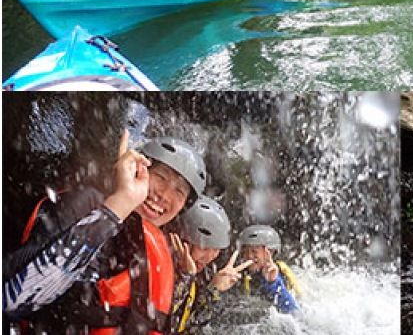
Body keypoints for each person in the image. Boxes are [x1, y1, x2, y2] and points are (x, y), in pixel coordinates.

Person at [3, 133, 207, 333]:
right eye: (161, 177)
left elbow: (162, 325)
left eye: (179, 191)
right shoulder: (85, 205)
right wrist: (120, 204)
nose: (164, 195)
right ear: (138, 169)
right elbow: (11, 301)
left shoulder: (152, 250)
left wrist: (186, 278)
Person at [169, 196, 253, 333]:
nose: (209, 257)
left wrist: (213, 289)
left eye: (215, 250)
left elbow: (192, 326)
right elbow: (161, 320)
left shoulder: (204, 273)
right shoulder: (160, 265)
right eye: (203, 248)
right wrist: (184, 277)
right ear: (182, 239)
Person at [239, 224, 301, 313]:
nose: (249, 256)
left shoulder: (278, 273)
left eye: (254, 251)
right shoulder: (241, 274)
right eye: (245, 252)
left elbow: (292, 310)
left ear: (270, 252)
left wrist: (273, 282)